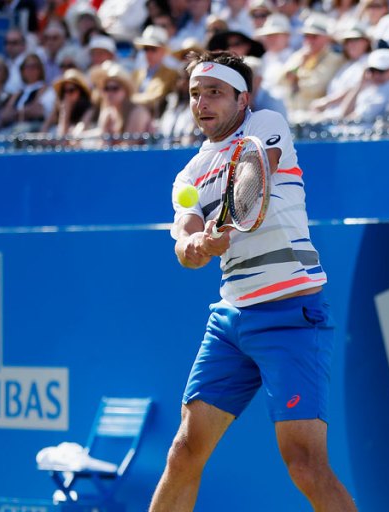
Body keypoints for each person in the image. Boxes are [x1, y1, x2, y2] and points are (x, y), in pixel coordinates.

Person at [151, 50, 357, 512]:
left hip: (290, 314)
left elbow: (252, 174)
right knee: (184, 452)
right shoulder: (187, 174)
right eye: (195, 95)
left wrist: (221, 221)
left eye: (215, 93)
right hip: (230, 321)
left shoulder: (267, 124)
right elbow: (184, 244)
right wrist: (197, 247)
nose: (203, 103)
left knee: (304, 463)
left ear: (243, 99)